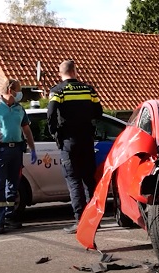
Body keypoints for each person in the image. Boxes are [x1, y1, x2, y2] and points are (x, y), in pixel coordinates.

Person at [47, 60, 103, 234]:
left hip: (68, 142)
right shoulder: (88, 89)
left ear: (60, 73)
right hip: (87, 140)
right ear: (75, 71)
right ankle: (94, 220)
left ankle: (80, 221)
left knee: (74, 181)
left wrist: (55, 133)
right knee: (89, 181)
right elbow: (99, 112)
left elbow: (50, 114)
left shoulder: (57, 91)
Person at [0, 79, 37, 234]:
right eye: (19, 89)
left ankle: (9, 217)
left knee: (13, 185)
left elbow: (26, 130)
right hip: (0, 151)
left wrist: (32, 148)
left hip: (16, 151)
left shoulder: (19, 109)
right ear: (11, 89)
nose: (21, 93)